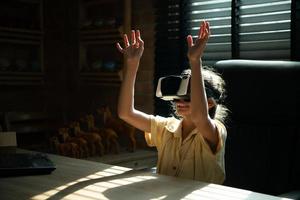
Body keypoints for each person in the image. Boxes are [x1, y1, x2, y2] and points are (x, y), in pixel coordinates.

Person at [116, 21, 228, 184]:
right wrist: (132, 65)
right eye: (178, 95)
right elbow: (125, 113)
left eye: (188, 96)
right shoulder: (166, 129)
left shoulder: (215, 131)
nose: (180, 101)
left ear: (209, 103)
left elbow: (199, 117)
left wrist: (195, 61)